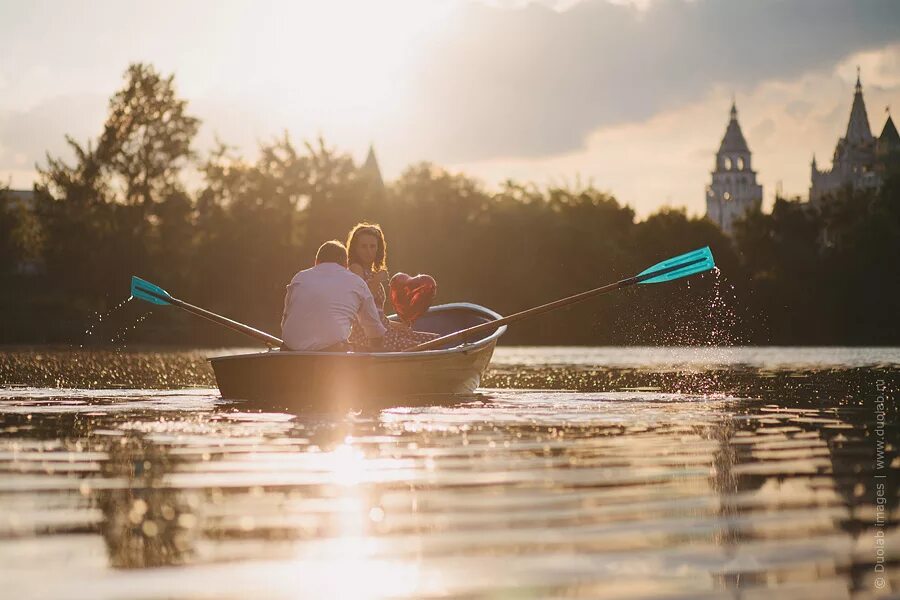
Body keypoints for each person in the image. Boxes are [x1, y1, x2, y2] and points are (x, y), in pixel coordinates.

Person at [345, 222, 439, 350]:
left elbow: (377, 316)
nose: (368, 251)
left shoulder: (371, 273)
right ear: (355, 249)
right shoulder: (355, 268)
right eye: (363, 246)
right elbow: (362, 301)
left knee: (436, 339)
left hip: (384, 331)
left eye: (372, 246)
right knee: (423, 347)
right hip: (368, 337)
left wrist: (397, 325)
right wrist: (377, 279)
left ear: (378, 249)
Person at [281, 240, 386, 351]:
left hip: (289, 351)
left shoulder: (299, 277)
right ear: (346, 265)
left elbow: (285, 321)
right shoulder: (357, 282)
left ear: (316, 262)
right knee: (376, 346)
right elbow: (375, 331)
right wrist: (376, 350)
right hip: (332, 352)